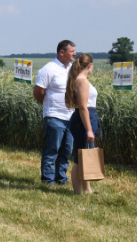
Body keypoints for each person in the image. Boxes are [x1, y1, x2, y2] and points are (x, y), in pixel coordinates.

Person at [34, 40, 76, 186]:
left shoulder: (72, 69)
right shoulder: (49, 69)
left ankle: (61, 178)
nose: (74, 54)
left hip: (71, 117)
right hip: (54, 116)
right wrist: (49, 105)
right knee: (52, 149)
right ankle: (47, 179)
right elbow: (38, 92)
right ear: (61, 52)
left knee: (66, 150)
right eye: (72, 51)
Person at [64, 54, 100, 195]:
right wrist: (89, 130)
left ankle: (87, 189)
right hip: (84, 119)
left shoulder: (78, 79)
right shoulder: (83, 81)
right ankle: (78, 192)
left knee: (86, 154)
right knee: (81, 157)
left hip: (84, 118)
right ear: (89, 65)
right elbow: (83, 107)